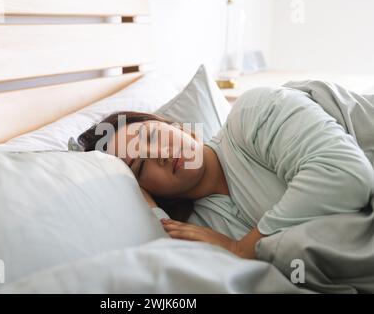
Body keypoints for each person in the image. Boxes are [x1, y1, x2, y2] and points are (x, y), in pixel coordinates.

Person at [77, 87, 373, 260]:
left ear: (174, 124)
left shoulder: (252, 112)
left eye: (152, 136)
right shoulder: (202, 227)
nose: (161, 155)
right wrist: (152, 211)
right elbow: (173, 270)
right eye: (141, 167)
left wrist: (241, 247)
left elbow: (348, 176)